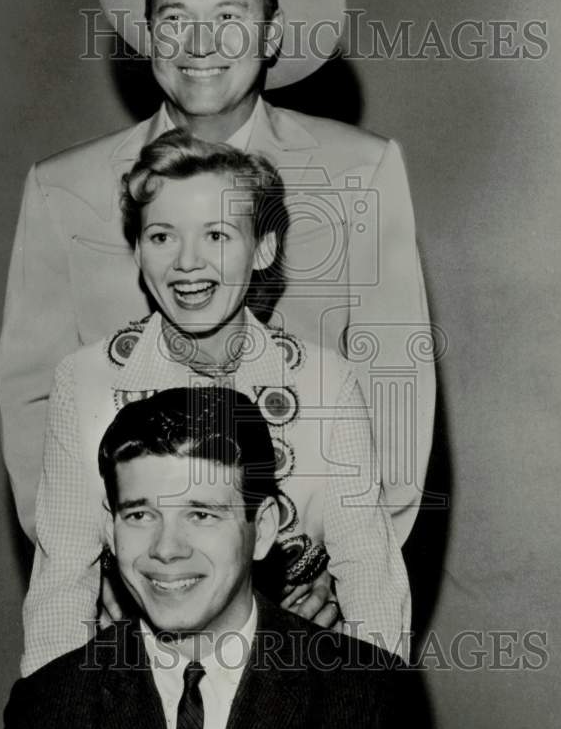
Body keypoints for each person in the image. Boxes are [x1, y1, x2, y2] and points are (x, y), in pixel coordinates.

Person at [0, 0, 435, 550]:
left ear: (271, 33)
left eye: (229, 16)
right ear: (146, 33)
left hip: (304, 582)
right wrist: (95, 561)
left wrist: (342, 561)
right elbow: (35, 404)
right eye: (174, 19)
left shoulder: (360, 174)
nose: (199, 43)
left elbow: (395, 380)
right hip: (132, 580)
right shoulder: (63, 190)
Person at [21, 129, 409, 676]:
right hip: (139, 681)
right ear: (136, 249)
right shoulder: (85, 382)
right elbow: (62, 579)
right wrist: (53, 723)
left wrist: (371, 711)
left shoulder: (327, 382)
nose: (186, 263)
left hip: (291, 677)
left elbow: (369, 569)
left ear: (263, 249)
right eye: (161, 237)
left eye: (217, 236)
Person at [2, 387, 426, 729]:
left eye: (201, 515)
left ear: (261, 529)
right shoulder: (47, 707)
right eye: (139, 516)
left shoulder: (368, 698)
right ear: (110, 530)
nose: (166, 549)